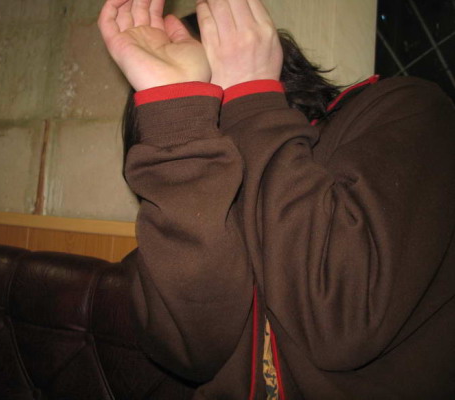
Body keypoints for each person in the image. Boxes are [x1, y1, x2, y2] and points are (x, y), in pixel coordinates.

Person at [98, 0, 455, 399]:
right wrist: (175, 119)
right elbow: (194, 354)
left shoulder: (407, 108)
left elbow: (339, 320)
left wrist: (250, 98)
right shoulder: (185, 199)